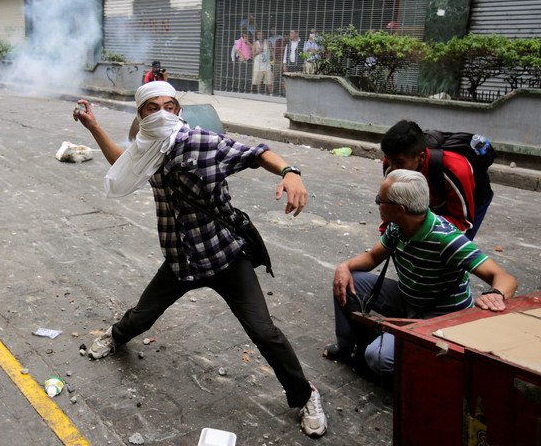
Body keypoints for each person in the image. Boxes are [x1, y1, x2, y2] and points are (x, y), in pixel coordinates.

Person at [72, 81, 327, 438]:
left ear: (179, 110)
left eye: (170, 106)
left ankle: (306, 395)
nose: (162, 113)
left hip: (224, 257)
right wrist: (94, 126)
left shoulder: (201, 142)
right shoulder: (147, 149)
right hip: (181, 260)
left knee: (264, 332)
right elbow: (123, 163)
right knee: (142, 316)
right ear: (141, 114)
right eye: (152, 107)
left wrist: (291, 172)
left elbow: (257, 153)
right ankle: (115, 336)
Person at [325, 169, 517, 377]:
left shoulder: (446, 239)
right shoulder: (397, 227)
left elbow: (505, 278)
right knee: (348, 280)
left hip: (440, 316)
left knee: (379, 358)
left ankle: (424, 370)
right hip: (410, 300)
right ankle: (348, 347)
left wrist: (496, 295)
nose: (378, 203)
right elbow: (372, 258)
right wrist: (344, 266)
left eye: (380, 200)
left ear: (399, 209)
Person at [381, 120, 490, 239]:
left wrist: (419, 223)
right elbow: (392, 208)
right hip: (434, 199)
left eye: (398, 162)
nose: (394, 169)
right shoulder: (392, 164)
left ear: (421, 157)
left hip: (472, 200)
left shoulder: (454, 170)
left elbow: (462, 224)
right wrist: (385, 240)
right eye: (388, 159)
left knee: (451, 250)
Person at [251, 31, 273, 95]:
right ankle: (258, 93)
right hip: (258, 65)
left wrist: (274, 59)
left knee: (269, 81)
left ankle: (271, 94)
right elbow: (252, 55)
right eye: (258, 34)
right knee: (258, 81)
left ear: (264, 35)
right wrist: (258, 52)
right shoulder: (255, 43)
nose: (260, 36)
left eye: (261, 34)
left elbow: (272, 51)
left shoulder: (268, 42)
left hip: (267, 65)